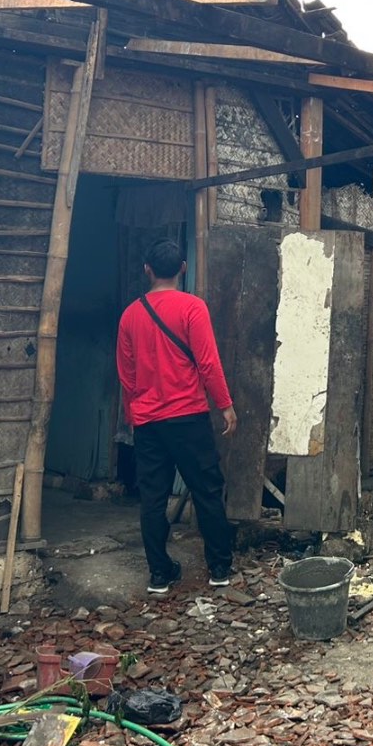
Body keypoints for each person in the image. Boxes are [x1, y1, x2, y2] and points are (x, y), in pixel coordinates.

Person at [116, 239, 238, 595]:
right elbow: (208, 363)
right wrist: (225, 404)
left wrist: (132, 415)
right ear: (183, 268)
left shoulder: (130, 315)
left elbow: (127, 375)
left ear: (147, 270)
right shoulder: (192, 308)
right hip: (188, 416)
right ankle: (219, 567)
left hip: (149, 422)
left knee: (152, 497)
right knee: (207, 491)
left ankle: (159, 573)